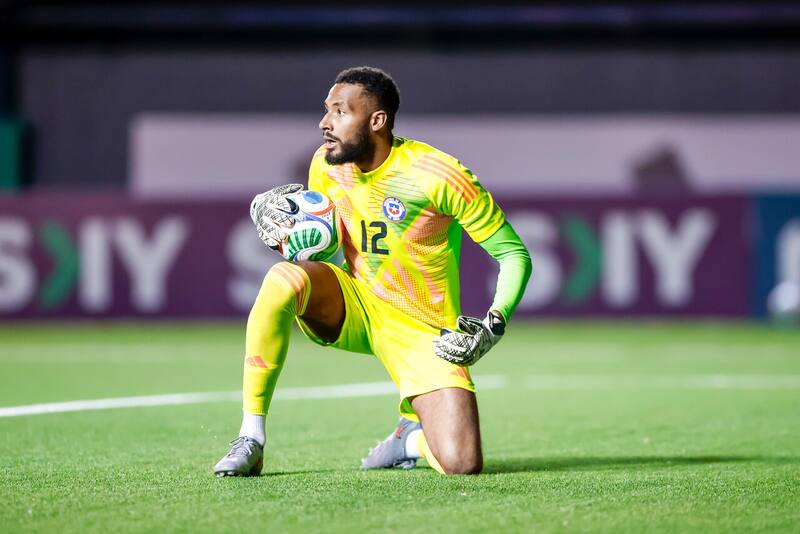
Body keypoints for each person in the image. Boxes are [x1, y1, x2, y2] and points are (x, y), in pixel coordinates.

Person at [213, 66, 532, 476]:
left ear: (376, 120)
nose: (325, 123)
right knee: (283, 278)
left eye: (340, 112)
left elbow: (514, 254)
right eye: (326, 111)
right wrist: (296, 239)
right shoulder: (325, 165)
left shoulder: (437, 175)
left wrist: (494, 323)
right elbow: (327, 251)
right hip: (358, 304)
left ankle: (409, 440)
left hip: (423, 330)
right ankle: (251, 437)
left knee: (462, 463)